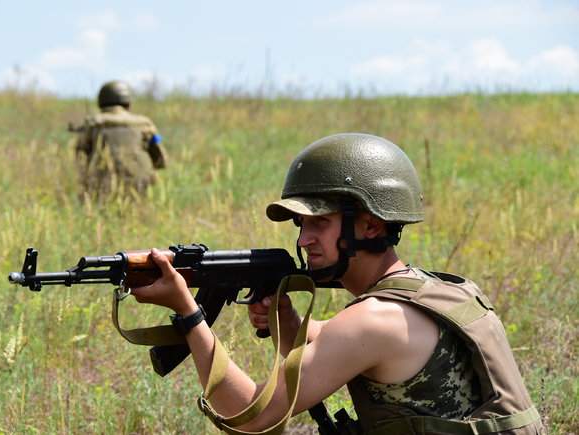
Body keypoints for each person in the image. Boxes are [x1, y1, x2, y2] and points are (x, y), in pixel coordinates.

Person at [131, 133, 543, 434]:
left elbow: (251, 417)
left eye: (321, 223)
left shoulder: (372, 321)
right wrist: (286, 321)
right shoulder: (443, 291)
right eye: (301, 223)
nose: (304, 238)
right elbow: (336, 339)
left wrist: (187, 312)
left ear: (370, 225)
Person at [70, 80, 166, 198]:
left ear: (101, 102)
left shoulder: (93, 124)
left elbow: (80, 157)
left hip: (103, 186)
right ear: (128, 103)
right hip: (140, 185)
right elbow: (160, 157)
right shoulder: (145, 123)